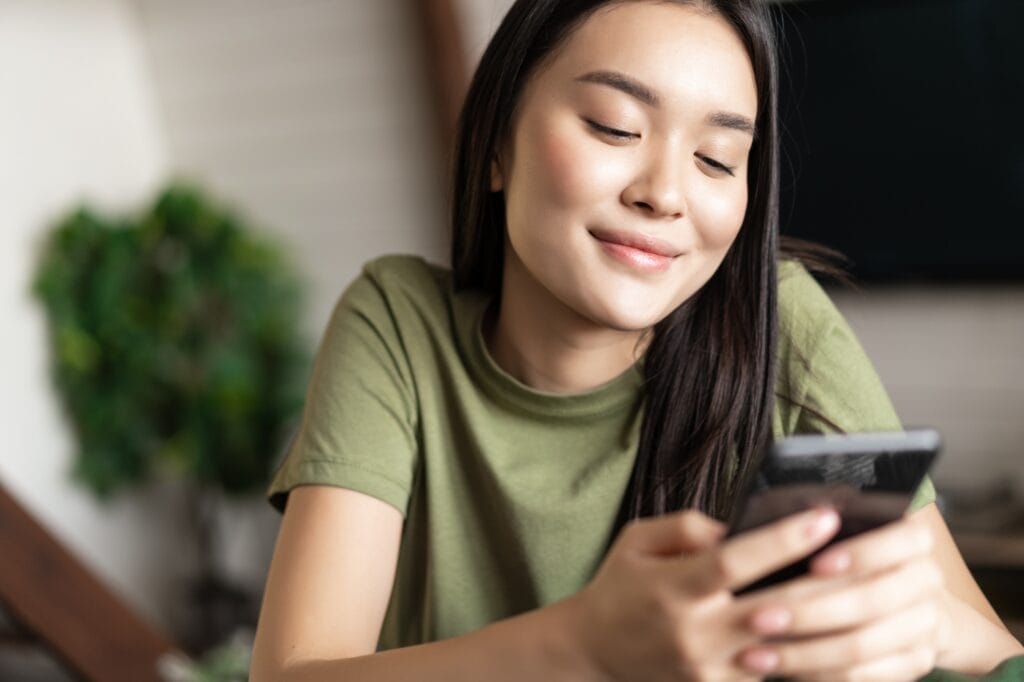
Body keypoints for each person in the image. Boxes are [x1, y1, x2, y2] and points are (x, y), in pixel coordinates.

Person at [250, 1, 1024, 679]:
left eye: (717, 159)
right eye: (614, 126)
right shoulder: (397, 322)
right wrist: (587, 647)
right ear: (494, 145)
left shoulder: (777, 318)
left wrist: (924, 627)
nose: (663, 193)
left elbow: (992, 653)